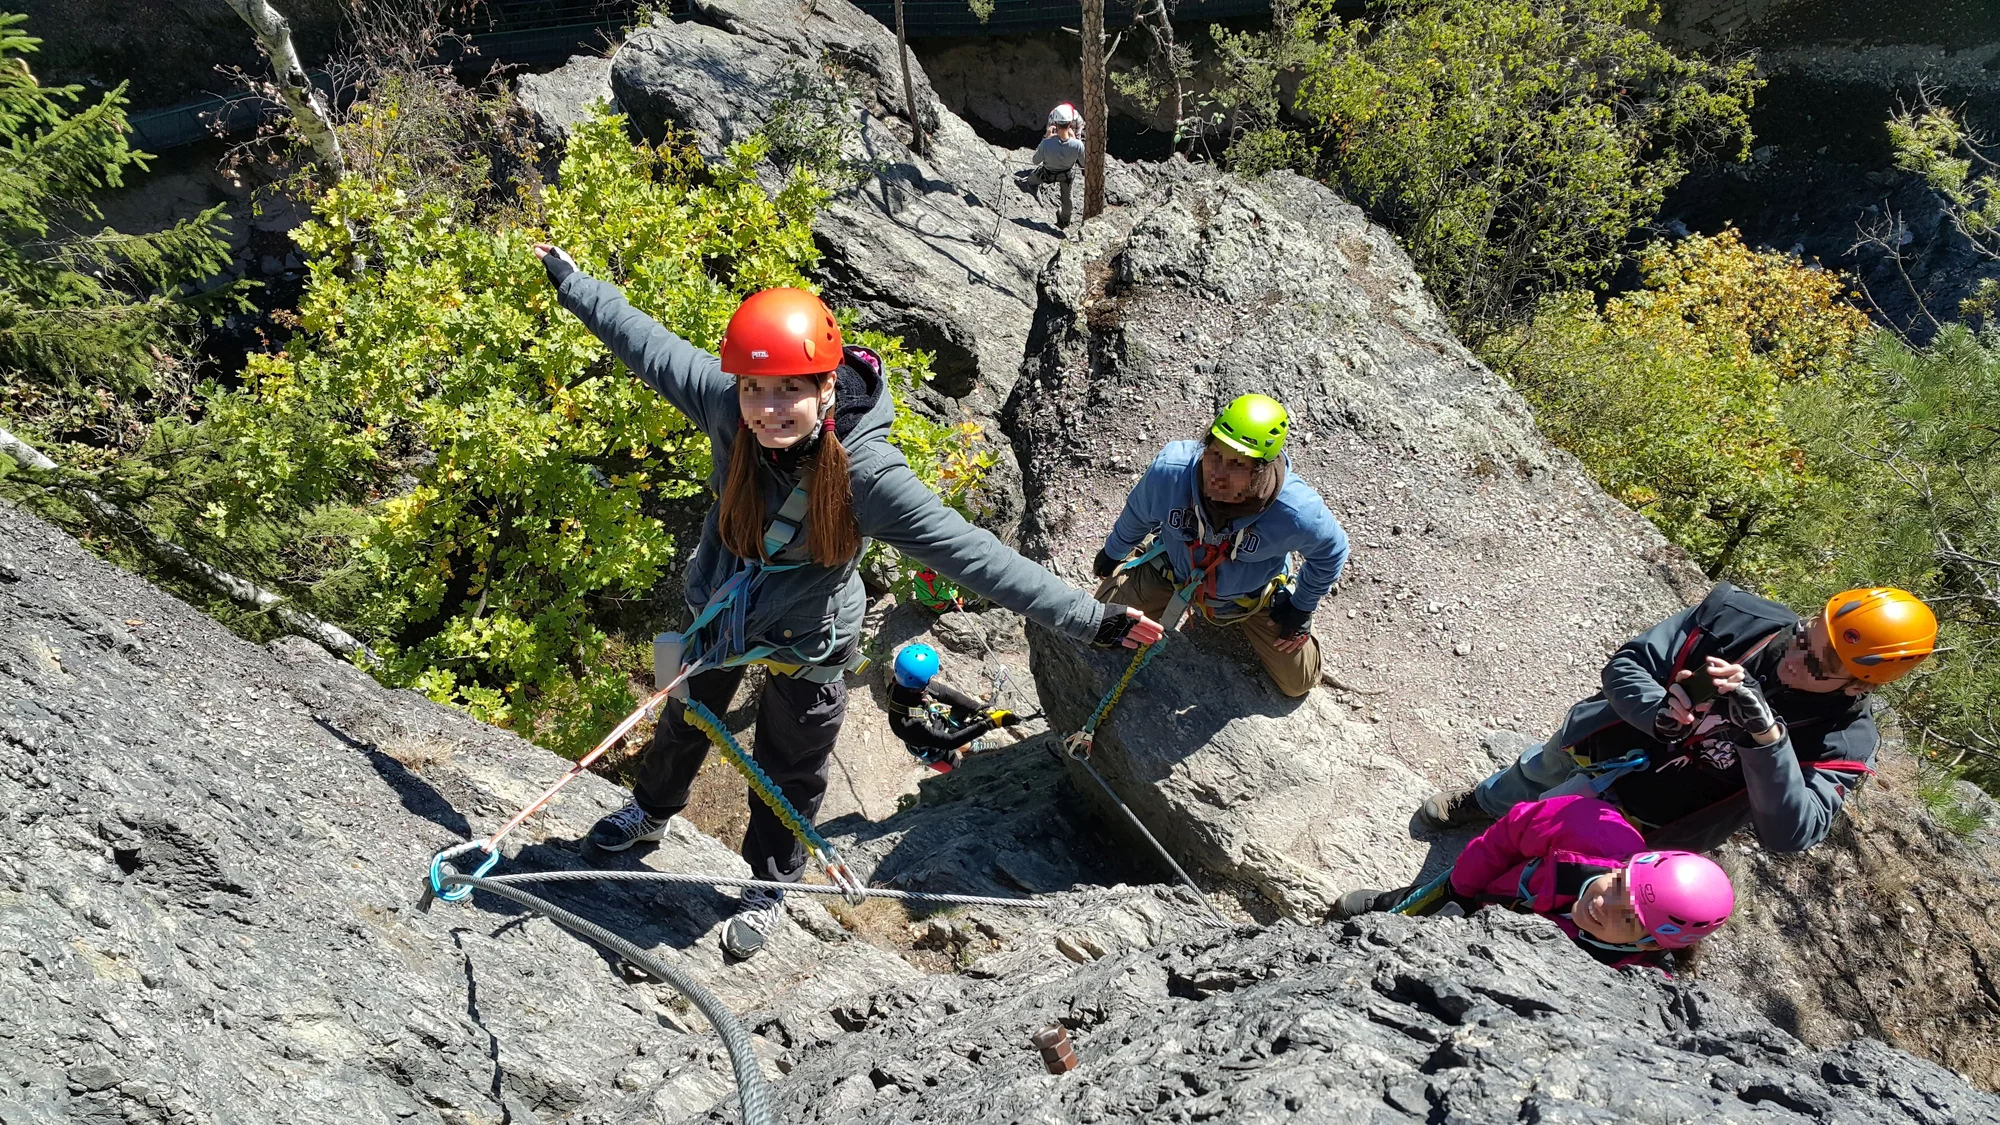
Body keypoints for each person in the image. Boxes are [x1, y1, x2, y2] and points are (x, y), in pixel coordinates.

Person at [534, 245, 1164, 959]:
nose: (769, 410)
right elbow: (645, 341)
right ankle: (651, 813)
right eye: (756, 390)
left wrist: (1093, 620)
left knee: (790, 761)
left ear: (826, 387)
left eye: (789, 392)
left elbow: (977, 558)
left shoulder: (870, 475)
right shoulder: (725, 406)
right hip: (721, 612)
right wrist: (574, 280)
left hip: (809, 637)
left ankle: (771, 882)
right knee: (684, 715)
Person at [1419, 585, 1937, 854]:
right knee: (1537, 772)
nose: (1796, 658)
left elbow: (1792, 833)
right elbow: (1629, 664)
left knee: (1561, 851)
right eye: (1805, 636)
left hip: (1661, 812)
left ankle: (1493, 882)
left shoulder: (1845, 740)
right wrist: (1658, 714)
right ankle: (1485, 802)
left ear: (1859, 685)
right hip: (1607, 737)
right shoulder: (1738, 617)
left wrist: (1768, 740)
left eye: (1821, 667)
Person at [1093, 393, 1349, 698]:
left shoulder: (1296, 513)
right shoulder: (1172, 472)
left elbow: (1331, 552)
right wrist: (1114, 551)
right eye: (1214, 456)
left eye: (1237, 465)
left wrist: (1301, 608)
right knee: (1100, 628)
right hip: (1173, 572)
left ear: (1261, 469)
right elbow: (1138, 512)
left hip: (1253, 597)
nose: (1218, 474)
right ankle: (1138, 570)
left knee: (1299, 683)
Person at [1336, 794, 1735, 967]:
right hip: (1483, 894)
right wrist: (1461, 887)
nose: (1603, 905)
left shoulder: (1629, 972)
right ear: (1624, 866)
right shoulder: (1591, 831)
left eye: (1629, 919)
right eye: (1618, 886)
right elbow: (1507, 836)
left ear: (1649, 943)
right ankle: (1384, 907)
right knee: (1422, 900)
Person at [885, 643, 1024, 773]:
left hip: (932, 726)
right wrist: (989, 724)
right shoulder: (910, 724)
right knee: (958, 771)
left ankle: (969, 748)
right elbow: (950, 741)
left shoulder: (903, 684)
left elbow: (945, 693)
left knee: (960, 715)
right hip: (931, 749)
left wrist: (979, 709)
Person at [1015, 102, 1085, 230]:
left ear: (1056, 124)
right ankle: (1065, 220)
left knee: (1031, 180)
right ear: (1070, 124)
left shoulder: (1046, 144)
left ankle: (1033, 189)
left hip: (1047, 173)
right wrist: (1075, 140)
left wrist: (1045, 138)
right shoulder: (1078, 145)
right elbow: (1084, 163)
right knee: (1067, 198)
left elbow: (1035, 161)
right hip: (1067, 175)